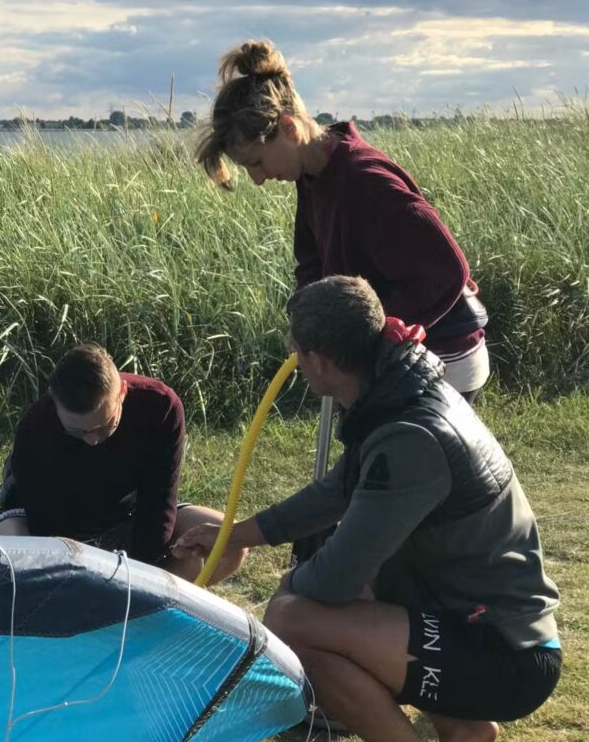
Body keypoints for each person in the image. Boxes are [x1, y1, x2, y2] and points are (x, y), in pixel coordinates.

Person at [173, 276, 560, 742]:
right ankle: (464, 727)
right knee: (328, 605)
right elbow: (335, 492)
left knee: (292, 621)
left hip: (506, 653)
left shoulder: (410, 438)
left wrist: (287, 588)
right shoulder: (397, 392)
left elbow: (337, 578)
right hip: (476, 624)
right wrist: (236, 535)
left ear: (317, 359)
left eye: (296, 350)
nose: (295, 363)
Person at [195, 40, 490, 402]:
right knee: (370, 456)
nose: (258, 179)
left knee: (399, 458)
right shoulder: (315, 177)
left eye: (257, 162)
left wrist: (363, 335)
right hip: (387, 358)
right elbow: (313, 266)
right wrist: (309, 322)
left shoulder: (365, 180)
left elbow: (447, 270)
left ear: (288, 128)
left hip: (442, 352)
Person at [0, 344, 246, 583]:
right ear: (55, 405)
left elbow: (159, 503)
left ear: (122, 392)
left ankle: (149, 614)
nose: (92, 441)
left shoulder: (161, 406)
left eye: (104, 427)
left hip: (127, 515)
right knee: (12, 546)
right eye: (76, 432)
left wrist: (140, 575)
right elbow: (44, 527)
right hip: (52, 523)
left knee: (231, 541)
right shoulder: (35, 429)